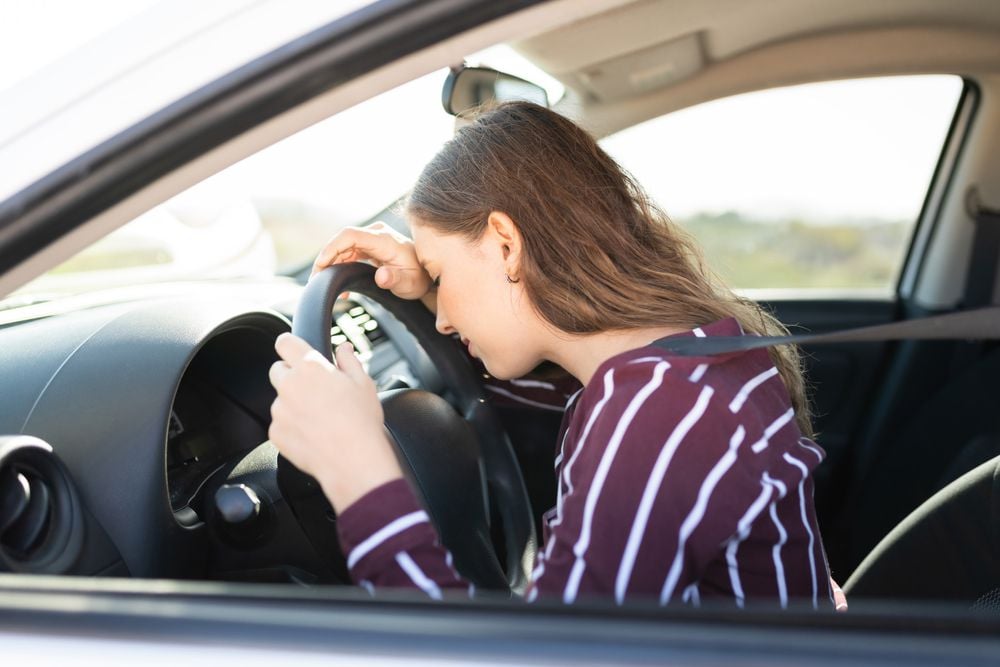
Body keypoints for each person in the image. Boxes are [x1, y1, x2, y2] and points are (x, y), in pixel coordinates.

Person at [267, 101, 841, 609]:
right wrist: (430, 287)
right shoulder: (697, 360)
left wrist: (358, 470)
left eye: (441, 274)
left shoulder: (662, 412)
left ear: (507, 244)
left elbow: (534, 659)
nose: (441, 316)